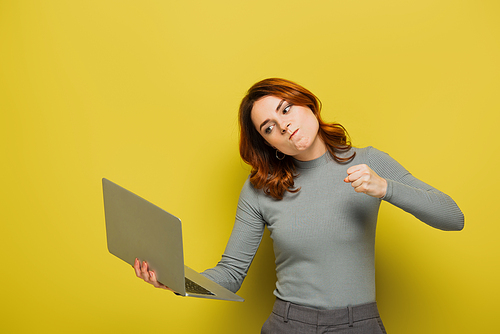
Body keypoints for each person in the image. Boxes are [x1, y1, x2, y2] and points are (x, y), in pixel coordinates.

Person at [134, 78, 464, 333]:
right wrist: (178, 282)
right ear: (269, 143)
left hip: (358, 324)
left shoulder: (369, 162)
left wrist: (384, 187)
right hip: (289, 324)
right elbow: (231, 274)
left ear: (307, 104)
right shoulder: (259, 190)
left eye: (285, 109)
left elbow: (453, 217)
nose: (283, 126)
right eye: (268, 128)